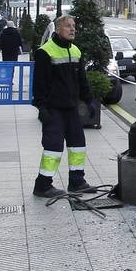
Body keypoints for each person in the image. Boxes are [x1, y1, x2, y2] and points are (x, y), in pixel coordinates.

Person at [30, 14, 93, 198]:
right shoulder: (45, 51)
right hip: (53, 109)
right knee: (53, 148)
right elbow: (39, 84)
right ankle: (42, 185)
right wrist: (41, 107)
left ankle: (77, 182)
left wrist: (89, 101)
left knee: (78, 145)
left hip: (71, 108)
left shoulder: (76, 51)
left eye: (74, 26)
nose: (72, 29)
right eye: (68, 26)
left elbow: (82, 81)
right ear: (58, 29)